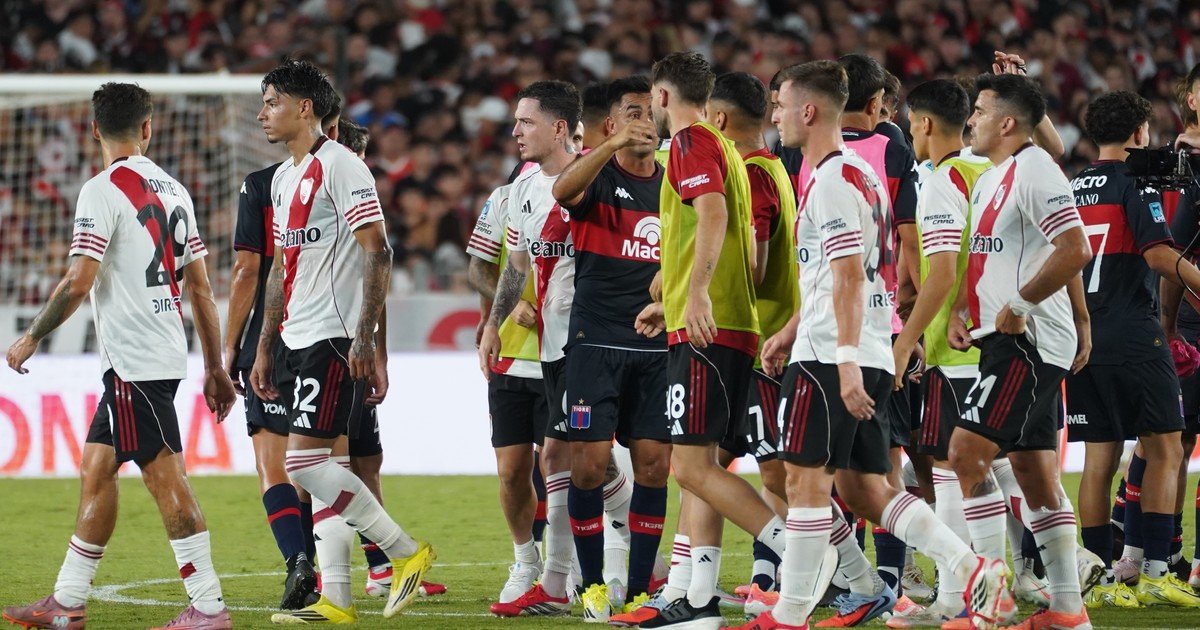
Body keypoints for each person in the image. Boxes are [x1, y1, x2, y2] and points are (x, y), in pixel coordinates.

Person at [736, 60, 1010, 630]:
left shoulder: (833, 181)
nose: (776, 115)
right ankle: (969, 565)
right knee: (865, 488)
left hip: (834, 355)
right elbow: (849, 270)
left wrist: (839, 362)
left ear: (808, 111)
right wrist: (790, 331)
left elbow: (848, 277)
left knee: (803, 480)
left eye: (782, 105)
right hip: (865, 349)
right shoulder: (858, 175)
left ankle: (787, 615)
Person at [3, 82, 236, 629]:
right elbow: (200, 288)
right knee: (97, 467)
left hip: (134, 359)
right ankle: (67, 601)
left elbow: (78, 281)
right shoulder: (177, 190)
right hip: (160, 352)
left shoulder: (101, 190)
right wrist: (215, 367)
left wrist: (32, 335)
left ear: (94, 130)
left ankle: (208, 607)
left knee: (164, 476)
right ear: (148, 128)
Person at [248, 59, 433, 623]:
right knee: (323, 465)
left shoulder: (343, 167)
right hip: (292, 338)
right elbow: (280, 267)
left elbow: (379, 250)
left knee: (302, 466)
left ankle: (405, 553)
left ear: (305, 107)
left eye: (272, 101)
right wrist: (262, 346)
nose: (262, 113)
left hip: (332, 335)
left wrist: (365, 337)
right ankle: (339, 600)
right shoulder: (283, 178)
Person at [638, 51, 789, 630]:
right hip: (718, 322)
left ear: (663, 96)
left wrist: (695, 295)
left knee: (693, 467)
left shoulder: (689, 142)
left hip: (712, 324)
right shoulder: (727, 147)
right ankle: (698, 599)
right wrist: (672, 299)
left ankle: (803, 551)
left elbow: (713, 214)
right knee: (699, 464)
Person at [946, 73, 1093, 630]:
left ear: (1007, 123)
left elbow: (1074, 248)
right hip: (1001, 339)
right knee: (1032, 472)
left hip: (1026, 343)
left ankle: (987, 607)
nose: (972, 121)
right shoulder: (993, 175)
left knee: (965, 454)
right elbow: (1001, 254)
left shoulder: (1033, 171)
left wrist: (1023, 306)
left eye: (980, 112)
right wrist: (966, 308)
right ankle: (1068, 610)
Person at [888, 78, 1018, 627]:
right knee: (968, 467)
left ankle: (977, 594)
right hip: (998, 341)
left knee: (955, 467)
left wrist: (905, 339)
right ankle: (970, 593)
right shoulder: (987, 171)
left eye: (909, 121)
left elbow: (941, 275)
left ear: (922, 123)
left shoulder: (942, 180)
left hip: (960, 346)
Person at [1068, 91, 1200, 608]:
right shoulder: (1135, 182)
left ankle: (1099, 575)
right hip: (1133, 331)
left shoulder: (1075, 185)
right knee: (1167, 446)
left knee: (1098, 458)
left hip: (1084, 336)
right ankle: (1156, 572)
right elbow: (1162, 254)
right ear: (1140, 133)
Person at [551, 74, 671, 622]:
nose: (644, 121)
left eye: (651, 112)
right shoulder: (597, 177)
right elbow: (561, 191)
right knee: (589, 470)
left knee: (652, 467)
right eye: (632, 112)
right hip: (594, 344)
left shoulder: (675, 186)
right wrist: (613, 146)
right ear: (612, 123)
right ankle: (594, 584)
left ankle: (643, 588)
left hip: (655, 347)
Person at [224, 98, 350, 615]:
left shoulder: (261, 184)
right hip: (332, 333)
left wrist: (230, 345)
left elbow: (248, 271)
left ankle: (300, 562)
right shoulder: (347, 175)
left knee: (274, 465)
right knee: (328, 460)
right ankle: (361, 569)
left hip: (272, 336)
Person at [480, 79, 583, 617]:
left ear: (559, 127)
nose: (515, 131)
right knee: (519, 467)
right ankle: (533, 564)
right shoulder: (519, 190)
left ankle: (573, 572)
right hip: (530, 353)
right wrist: (495, 323)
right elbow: (513, 267)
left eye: (526, 122)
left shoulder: (592, 181)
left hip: (581, 349)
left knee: (573, 461)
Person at [702, 71, 796, 608]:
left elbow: (755, 267)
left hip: (761, 344)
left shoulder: (752, 175)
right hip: (765, 342)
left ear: (718, 119)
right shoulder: (772, 169)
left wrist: (695, 287)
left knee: (777, 475)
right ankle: (762, 579)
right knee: (715, 463)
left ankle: (849, 575)